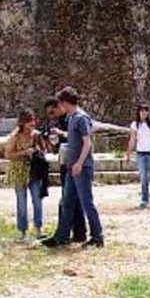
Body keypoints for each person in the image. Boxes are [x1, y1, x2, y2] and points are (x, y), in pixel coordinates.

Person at [42, 87, 104, 248]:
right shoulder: (72, 118)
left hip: (81, 168)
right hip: (72, 167)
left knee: (86, 203)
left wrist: (79, 163)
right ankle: (61, 236)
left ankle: (97, 236)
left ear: (64, 103)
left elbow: (87, 142)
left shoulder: (81, 118)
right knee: (67, 202)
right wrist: (61, 134)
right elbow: (74, 137)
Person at [41, 98, 87, 243]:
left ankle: (66, 234)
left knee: (70, 200)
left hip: (74, 162)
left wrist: (60, 133)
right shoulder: (61, 121)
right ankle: (74, 233)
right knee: (70, 199)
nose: (51, 116)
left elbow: (76, 138)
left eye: (52, 112)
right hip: (65, 161)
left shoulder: (74, 119)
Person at [5, 109, 46, 242]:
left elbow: (44, 150)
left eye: (33, 122)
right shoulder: (15, 137)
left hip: (34, 172)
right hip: (19, 171)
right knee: (21, 203)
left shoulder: (37, 135)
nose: (32, 125)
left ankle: (38, 228)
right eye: (29, 122)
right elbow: (8, 155)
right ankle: (23, 231)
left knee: (37, 201)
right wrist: (23, 153)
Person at [127, 104, 150, 209]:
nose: (143, 113)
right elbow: (132, 139)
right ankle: (145, 199)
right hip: (141, 153)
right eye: (142, 111)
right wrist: (129, 153)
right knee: (143, 178)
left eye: (146, 111)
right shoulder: (135, 125)